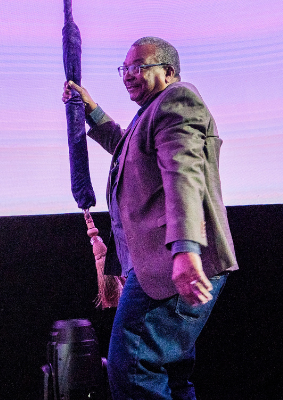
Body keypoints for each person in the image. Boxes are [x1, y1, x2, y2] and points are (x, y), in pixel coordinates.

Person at [62, 36, 238, 400]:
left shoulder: (177, 100)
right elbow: (126, 146)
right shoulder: (151, 113)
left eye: (139, 66)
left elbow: (183, 173)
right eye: (125, 68)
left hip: (172, 262)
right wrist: (91, 109)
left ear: (168, 72)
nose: (129, 74)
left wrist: (185, 249)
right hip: (161, 263)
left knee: (133, 366)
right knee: (171, 372)